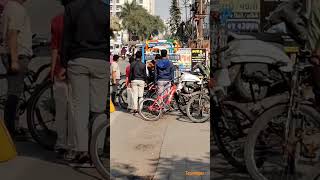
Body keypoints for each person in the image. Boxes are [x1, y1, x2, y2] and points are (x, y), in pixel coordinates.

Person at [60, 0, 108, 166]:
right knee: (99, 109)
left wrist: (63, 63)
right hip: (101, 61)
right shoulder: (106, 10)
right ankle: (97, 150)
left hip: (78, 60)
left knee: (79, 108)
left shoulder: (72, 8)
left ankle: (82, 151)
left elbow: (66, 39)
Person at [1, 0, 32, 139]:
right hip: (17, 54)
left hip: (13, 53)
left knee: (14, 91)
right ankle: (11, 131)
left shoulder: (9, 7)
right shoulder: (17, 8)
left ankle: (13, 127)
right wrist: (14, 60)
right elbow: (12, 33)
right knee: (14, 93)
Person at [50, 0, 75, 155]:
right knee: (74, 109)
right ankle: (73, 145)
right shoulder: (79, 20)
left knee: (61, 110)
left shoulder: (56, 20)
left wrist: (52, 70)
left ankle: (61, 143)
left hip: (59, 68)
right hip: (75, 68)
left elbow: (54, 48)